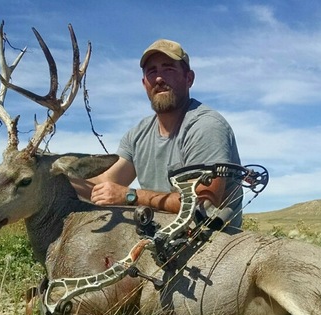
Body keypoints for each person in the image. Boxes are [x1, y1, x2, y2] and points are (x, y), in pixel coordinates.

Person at [71, 38, 243, 227]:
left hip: (213, 245)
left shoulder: (206, 126)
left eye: (168, 69)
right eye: (152, 72)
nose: (159, 78)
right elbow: (103, 184)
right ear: (144, 83)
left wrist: (130, 195)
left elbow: (203, 203)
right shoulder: (137, 135)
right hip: (161, 238)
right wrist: (53, 174)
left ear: (189, 78)